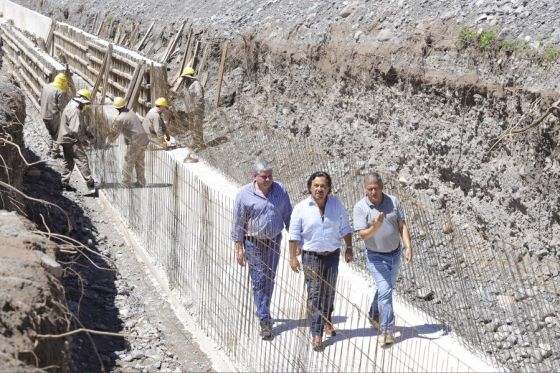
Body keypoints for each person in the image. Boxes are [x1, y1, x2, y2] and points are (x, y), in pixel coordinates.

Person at [289, 171, 353, 351]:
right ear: (310, 187)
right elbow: (293, 235)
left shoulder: (336, 204)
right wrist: (293, 256)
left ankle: (327, 319)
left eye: (323, 186)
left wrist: (349, 248)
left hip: (332, 255)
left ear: (328, 188)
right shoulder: (301, 208)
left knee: (329, 292)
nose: (319, 189)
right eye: (316, 185)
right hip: (311, 256)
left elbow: (345, 227)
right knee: (315, 294)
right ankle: (316, 334)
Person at [231, 160, 292, 341]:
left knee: (269, 277)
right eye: (263, 177)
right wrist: (239, 247)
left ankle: (262, 308)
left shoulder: (280, 190)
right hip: (253, 242)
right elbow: (238, 222)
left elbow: (288, 214)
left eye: (270, 176)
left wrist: (297, 242)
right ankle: (265, 319)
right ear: (255, 177)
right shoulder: (244, 195)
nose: (267, 180)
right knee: (258, 279)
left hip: (274, 240)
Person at [352, 172, 412, 346]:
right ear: (365, 189)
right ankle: (387, 331)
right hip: (375, 256)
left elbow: (402, 225)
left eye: (376, 189)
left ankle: (374, 313)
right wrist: (376, 226)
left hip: (395, 254)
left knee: (385, 289)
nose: (373, 192)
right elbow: (362, 235)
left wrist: (408, 246)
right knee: (386, 292)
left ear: (382, 187)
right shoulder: (360, 207)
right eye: (369, 189)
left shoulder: (393, 201)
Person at [57, 89, 95, 193]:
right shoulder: (75, 110)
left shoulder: (72, 105)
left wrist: (87, 133)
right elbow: (75, 129)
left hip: (66, 138)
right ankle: (90, 183)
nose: (85, 106)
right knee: (82, 159)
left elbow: (78, 125)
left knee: (68, 161)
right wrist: (83, 140)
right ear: (81, 101)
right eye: (85, 103)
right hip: (71, 139)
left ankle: (64, 183)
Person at [107, 97, 150, 187]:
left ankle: (126, 182)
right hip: (143, 138)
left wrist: (108, 142)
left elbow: (115, 132)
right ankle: (141, 182)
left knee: (129, 161)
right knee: (139, 161)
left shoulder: (120, 118)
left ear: (116, 108)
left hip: (135, 140)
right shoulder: (131, 112)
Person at [40, 73, 69, 158]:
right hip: (53, 116)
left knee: (51, 133)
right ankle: (54, 153)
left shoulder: (46, 87)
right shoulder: (58, 91)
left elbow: (40, 99)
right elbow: (62, 107)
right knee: (58, 134)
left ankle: (49, 150)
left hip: (43, 114)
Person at [180, 67, 205, 150]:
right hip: (190, 110)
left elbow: (199, 97)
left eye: (185, 77)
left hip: (196, 110)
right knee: (192, 127)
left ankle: (200, 145)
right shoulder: (187, 85)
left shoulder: (196, 84)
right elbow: (183, 95)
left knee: (197, 126)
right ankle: (195, 143)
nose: (184, 79)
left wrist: (196, 109)